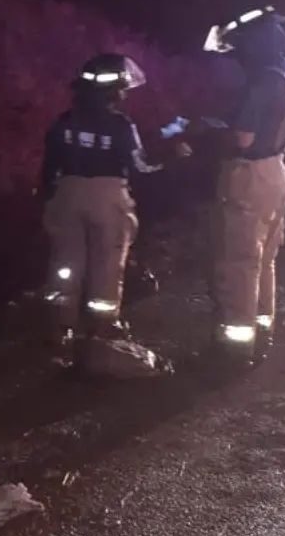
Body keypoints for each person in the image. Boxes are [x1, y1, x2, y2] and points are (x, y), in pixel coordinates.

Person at [38, 53, 183, 368]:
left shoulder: (63, 122)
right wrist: (172, 158)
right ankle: (102, 330)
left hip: (66, 195)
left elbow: (48, 166)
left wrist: (48, 197)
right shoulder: (121, 125)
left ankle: (58, 331)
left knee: (65, 264)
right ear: (114, 91)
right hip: (108, 199)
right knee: (107, 266)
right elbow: (140, 167)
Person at [203, 6, 285, 363]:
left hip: (249, 176)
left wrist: (206, 131)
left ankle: (234, 346)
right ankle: (262, 331)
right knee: (264, 260)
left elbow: (244, 138)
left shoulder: (264, 80)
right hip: (277, 172)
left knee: (238, 262)